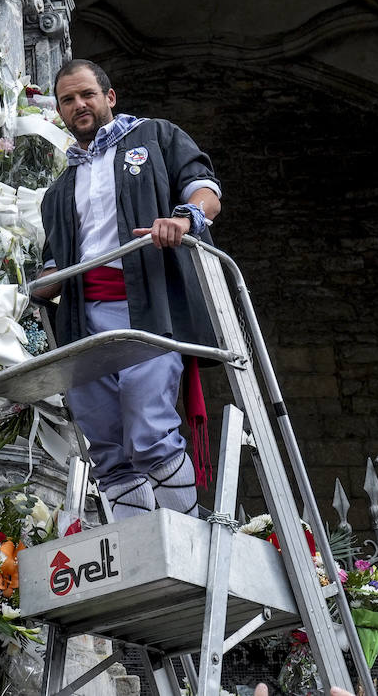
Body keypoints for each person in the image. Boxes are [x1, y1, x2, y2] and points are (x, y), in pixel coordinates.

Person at [32, 59, 221, 519]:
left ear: (109, 97)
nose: (79, 105)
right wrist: (38, 285)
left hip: (147, 310)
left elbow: (206, 191)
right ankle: (140, 550)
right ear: (59, 110)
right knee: (107, 448)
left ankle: (186, 535)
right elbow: (57, 261)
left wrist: (182, 219)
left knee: (149, 430)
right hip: (84, 321)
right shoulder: (57, 190)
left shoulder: (155, 137)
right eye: (68, 100)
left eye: (87, 95)